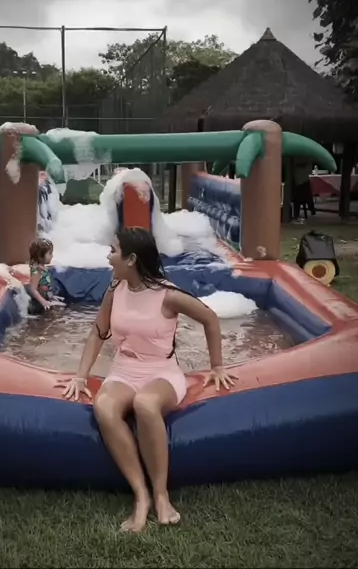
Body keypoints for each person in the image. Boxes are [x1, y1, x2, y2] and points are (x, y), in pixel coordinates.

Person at [58, 227, 237, 533]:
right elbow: (98, 332)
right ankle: (141, 495)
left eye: (113, 251)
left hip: (161, 372)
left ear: (131, 259)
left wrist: (217, 366)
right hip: (124, 370)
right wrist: (80, 376)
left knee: (145, 403)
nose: (108, 256)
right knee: (104, 407)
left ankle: (161, 495)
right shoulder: (115, 290)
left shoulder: (168, 294)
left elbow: (209, 318)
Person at [25, 238, 54, 314]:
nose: (52, 256)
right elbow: (33, 289)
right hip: (38, 303)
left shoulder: (42, 267)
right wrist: (43, 302)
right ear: (40, 256)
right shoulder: (37, 270)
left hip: (45, 298)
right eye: (50, 253)